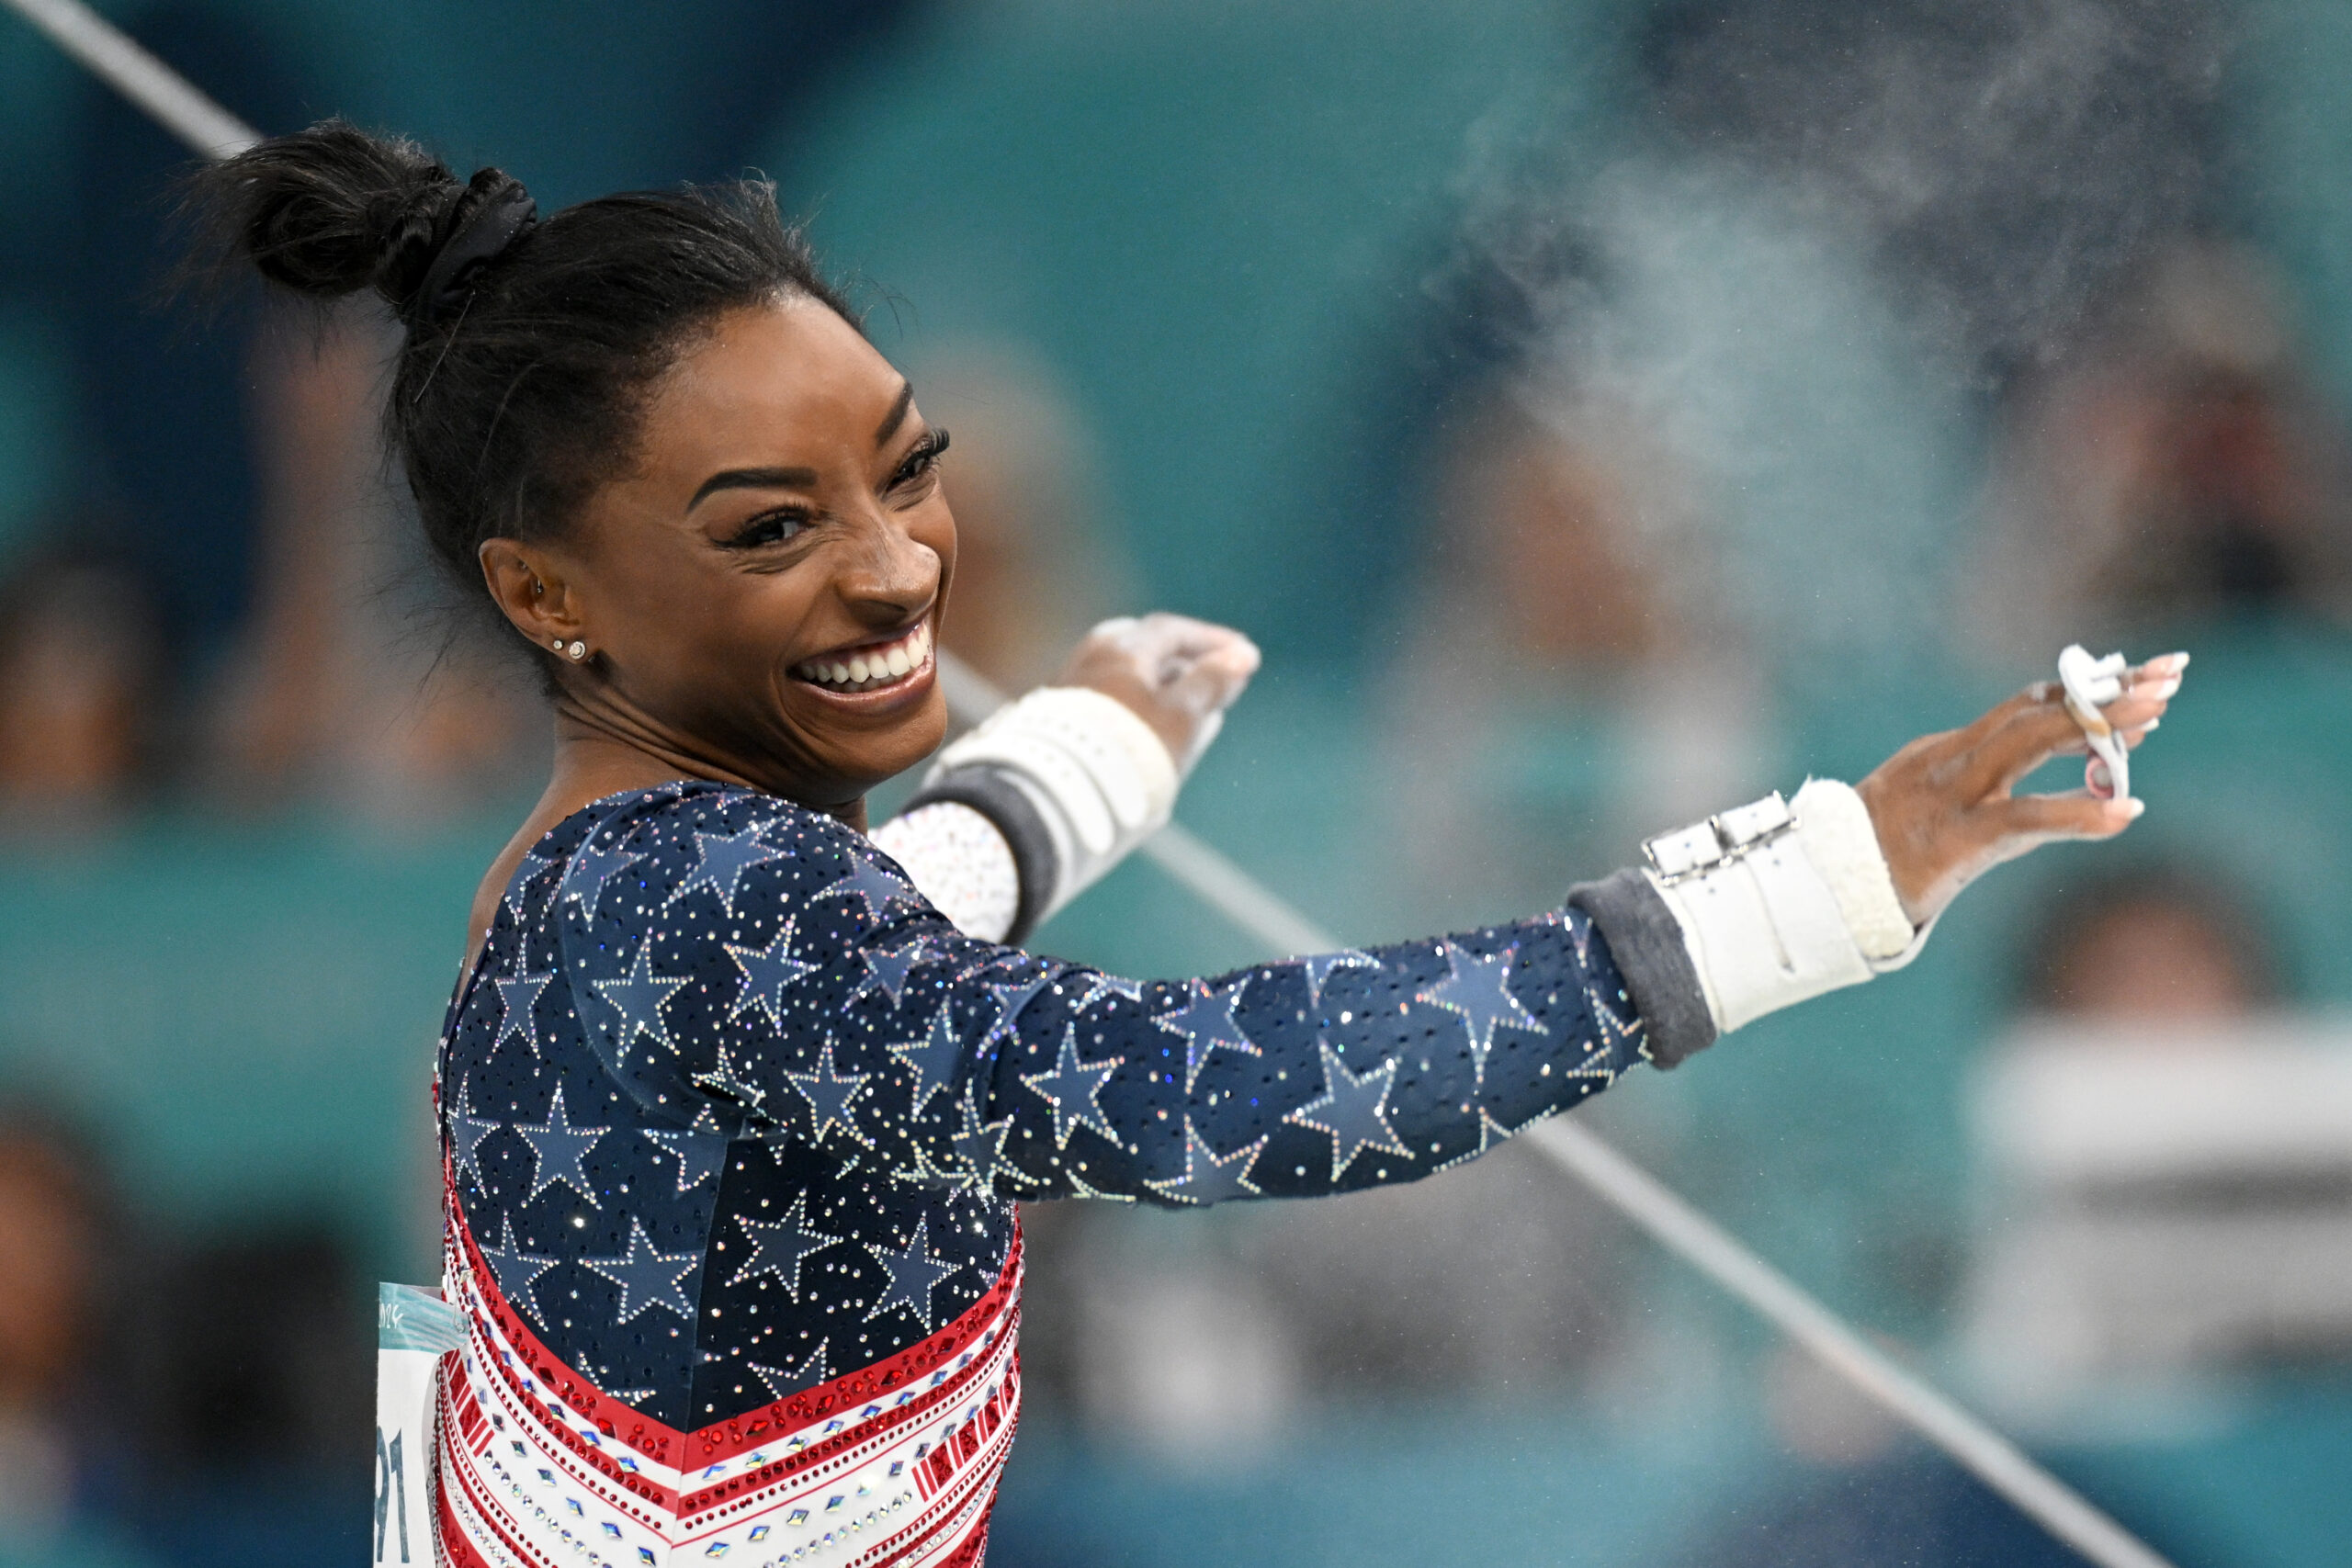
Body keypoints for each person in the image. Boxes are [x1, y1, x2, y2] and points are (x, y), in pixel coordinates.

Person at [187, 121, 2182, 1568]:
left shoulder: (580, 894)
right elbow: (1187, 1096)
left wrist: (1081, 752)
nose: (897, 571)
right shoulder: (697, 905)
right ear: (550, 591)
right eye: (769, 528)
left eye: (904, 472)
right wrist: (1825, 876)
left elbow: (886, 948)